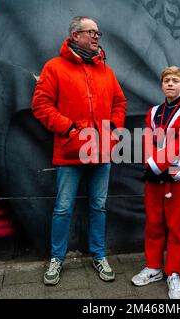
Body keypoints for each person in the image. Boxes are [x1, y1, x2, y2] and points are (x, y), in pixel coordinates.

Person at [32, 16, 127, 285]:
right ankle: (56, 259)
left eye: (98, 32)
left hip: (103, 152)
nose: (97, 36)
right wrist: (70, 129)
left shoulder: (105, 71)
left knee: (99, 206)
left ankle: (99, 255)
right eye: (91, 32)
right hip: (70, 151)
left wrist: (112, 130)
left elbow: (120, 103)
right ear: (75, 35)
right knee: (63, 209)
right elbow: (41, 105)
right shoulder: (54, 67)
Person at [131, 66, 180, 299]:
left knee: (177, 226)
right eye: (167, 80)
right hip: (154, 174)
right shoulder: (153, 112)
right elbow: (149, 138)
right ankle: (154, 266)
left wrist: (159, 165)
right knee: (154, 222)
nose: (170, 84)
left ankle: (174, 272)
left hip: (178, 173)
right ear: (161, 85)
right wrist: (151, 165)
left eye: (175, 81)